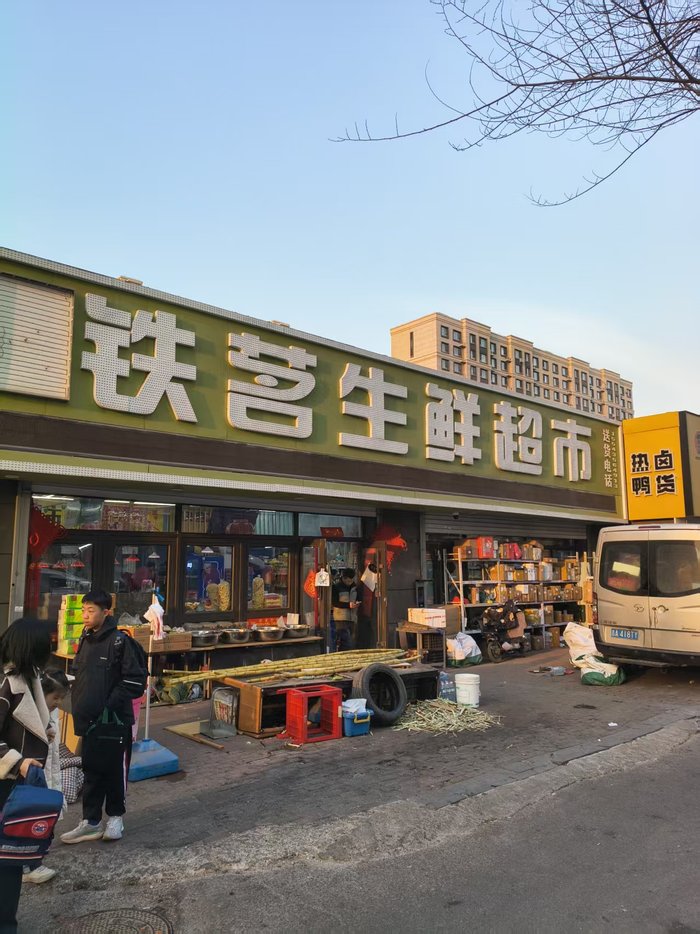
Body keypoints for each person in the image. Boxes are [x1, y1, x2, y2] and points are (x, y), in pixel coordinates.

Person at [60, 590, 147, 845]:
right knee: (91, 769)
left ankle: (116, 818)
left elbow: (135, 681)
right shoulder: (85, 639)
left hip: (113, 722)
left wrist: (108, 705)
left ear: (106, 612)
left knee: (114, 770)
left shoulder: (121, 642)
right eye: (83, 610)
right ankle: (91, 821)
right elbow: (80, 673)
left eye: (91, 610)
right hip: (88, 721)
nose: (85, 615)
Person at [0, 617, 51, 934]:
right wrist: (16, 761)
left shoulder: (29, 677)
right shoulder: (7, 684)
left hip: (21, 783)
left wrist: (47, 729)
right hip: (6, 783)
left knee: (13, 857)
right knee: (7, 860)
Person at [22, 670, 70, 885]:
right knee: (30, 820)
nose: (58, 703)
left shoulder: (51, 714)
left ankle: (34, 861)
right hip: (32, 775)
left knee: (43, 819)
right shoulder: (29, 713)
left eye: (61, 698)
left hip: (48, 774)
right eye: (55, 698)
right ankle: (28, 865)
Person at [332, 569, 359, 651]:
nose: (350, 582)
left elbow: (358, 598)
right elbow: (335, 603)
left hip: (352, 618)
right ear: (343, 578)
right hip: (341, 618)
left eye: (351, 580)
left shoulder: (354, 587)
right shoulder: (336, 587)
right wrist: (348, 605)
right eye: (348, 580)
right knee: (346, 642)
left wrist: (357, 603)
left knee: (352, 641)